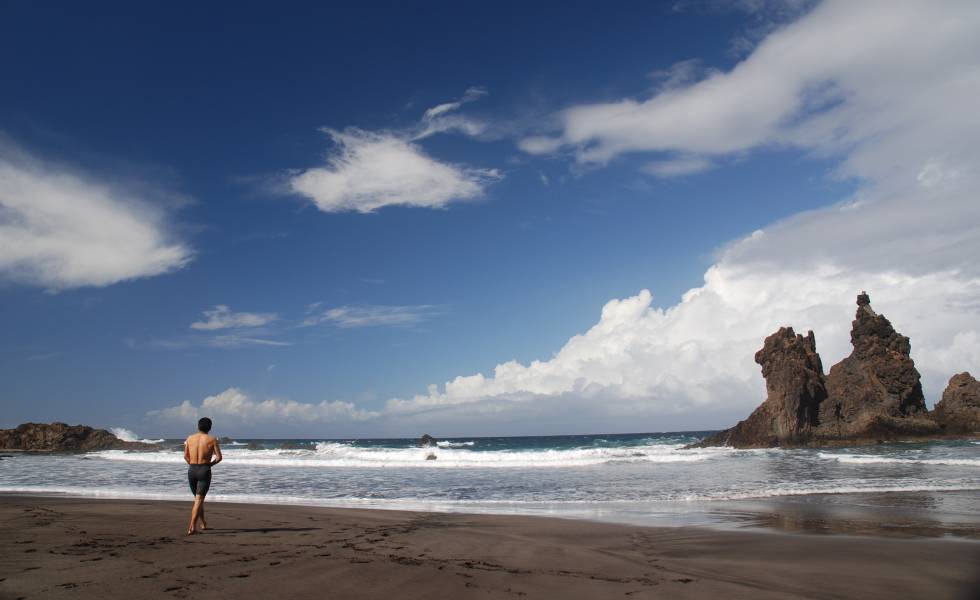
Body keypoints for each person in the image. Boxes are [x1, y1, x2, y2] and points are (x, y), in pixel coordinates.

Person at [183, 417, 222, 536]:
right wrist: (209, 465)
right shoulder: (212, 439)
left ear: (198, 426)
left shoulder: (190, 438)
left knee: (197, 499)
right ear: (210, 428)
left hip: (192, 470)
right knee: (199, 500)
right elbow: (219, 457)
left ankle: (203, 523)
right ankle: (192, 527)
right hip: (204, 470)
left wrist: (193, 465)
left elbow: (185, 456)